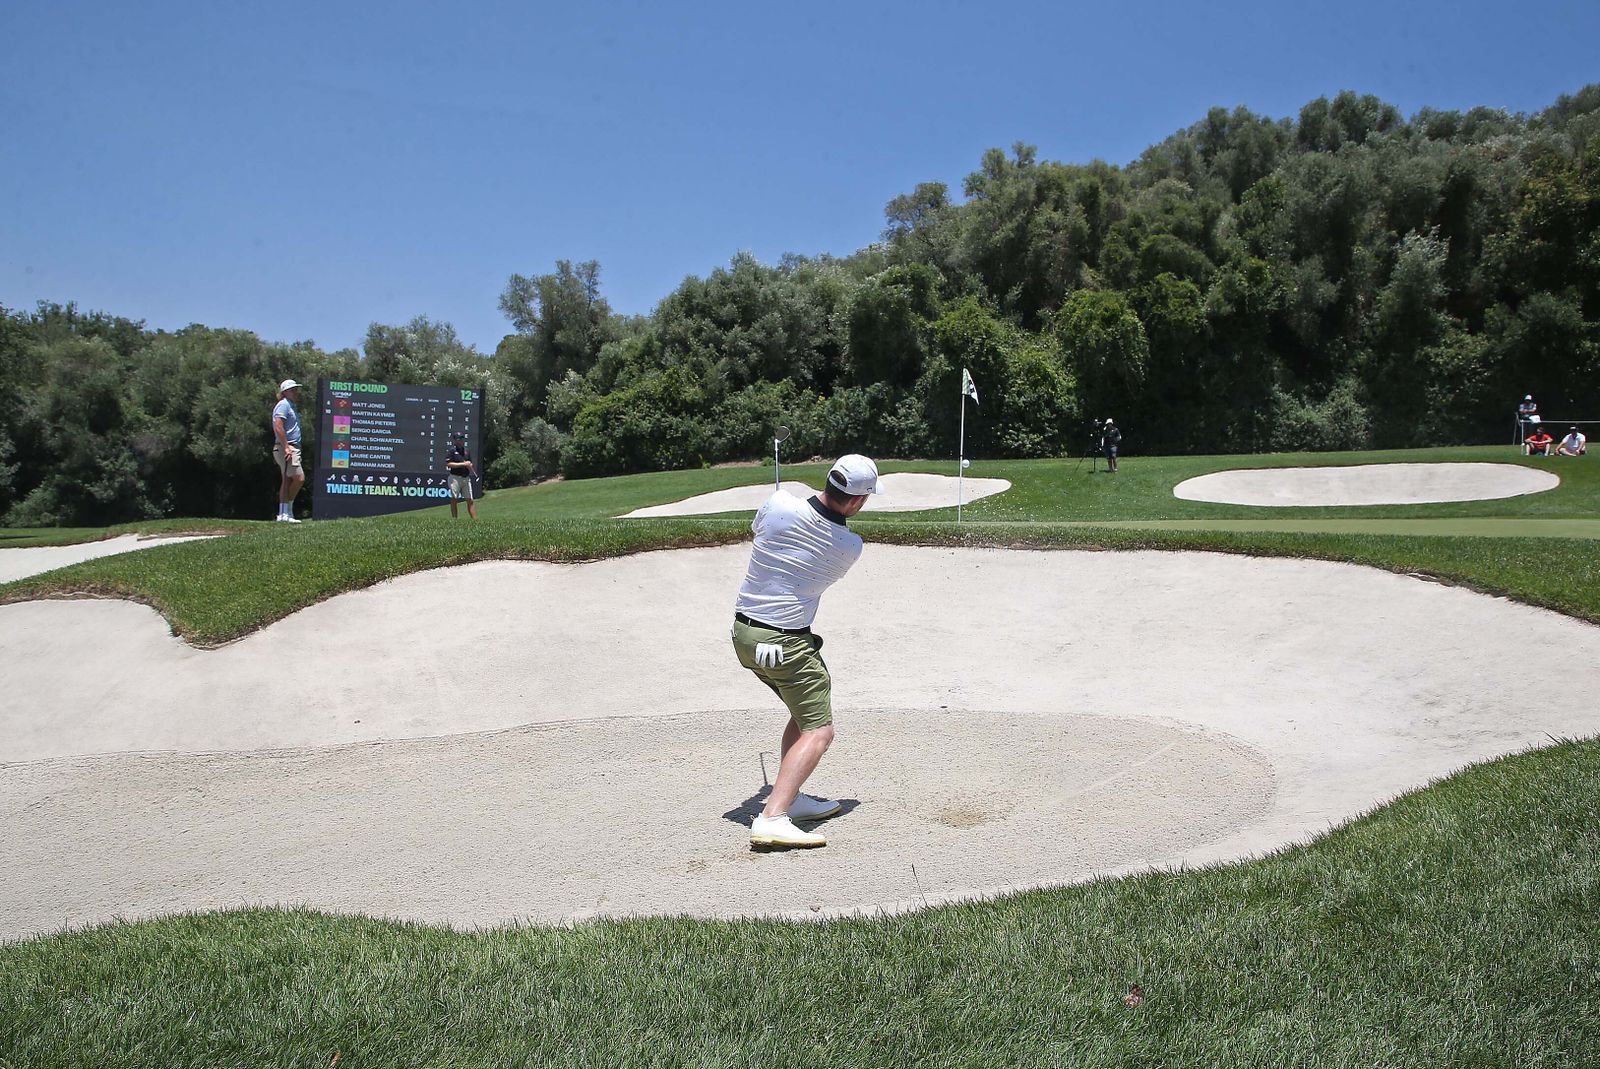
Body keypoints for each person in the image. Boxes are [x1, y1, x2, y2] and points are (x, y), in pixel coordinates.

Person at [732, 454, 879, 850]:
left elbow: (760, 532)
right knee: (819, 730)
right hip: (786, 643)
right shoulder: (849, 546)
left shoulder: (779, 502)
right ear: (857, 501)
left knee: (802, 714)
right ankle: (773, 817)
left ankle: (790, 798)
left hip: (745, 635)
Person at [272, 379, 305, 523]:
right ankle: (286, 512)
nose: (295, 392)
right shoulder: (283, 405)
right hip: (287, 446)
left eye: (296, 389)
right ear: (284, 392)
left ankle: (284, 513)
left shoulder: (291, 406)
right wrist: (286, 446)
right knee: (299, 478)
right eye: (292, 390)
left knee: (286, 480)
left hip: (291, 446)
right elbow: (278, 425)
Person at [444, 435, 478, 518]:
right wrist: (463, 464)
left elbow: (469, 462)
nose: (462, 441)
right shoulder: (452, 451)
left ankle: (475, 521)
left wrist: (470, 465)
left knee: (470, 500)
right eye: (459, 439)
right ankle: (455, 520)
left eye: (462, 439)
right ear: (456, 441)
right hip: (455, 478)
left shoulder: (467, 451)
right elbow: (449, 464)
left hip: (466, 478)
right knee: (454, 499)